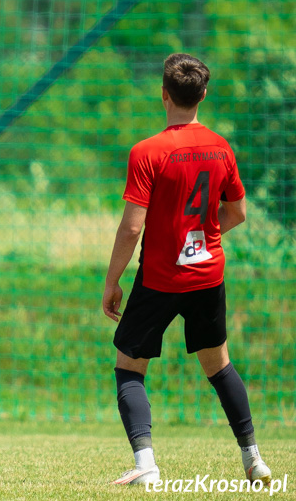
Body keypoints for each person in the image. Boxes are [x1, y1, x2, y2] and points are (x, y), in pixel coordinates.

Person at [102, 53, 272, 486]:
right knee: (219, 366)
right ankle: (253, 459)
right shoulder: (221, 147)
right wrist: (200, 237)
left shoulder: (147, 151)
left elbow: (131, 227)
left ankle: (146, 467)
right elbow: (236, 212)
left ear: (164, 95)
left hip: (160, 278)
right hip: (207, 275)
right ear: (203, 95)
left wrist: (112, 280)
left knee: (129, 366)